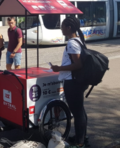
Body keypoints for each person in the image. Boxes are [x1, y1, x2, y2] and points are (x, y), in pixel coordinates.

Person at [51, 16, 89, 148]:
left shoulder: (72, 43)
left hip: (72, 82)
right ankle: (82, 137)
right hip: (77, 81)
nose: (61, 28)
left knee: (78, 113)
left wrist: (58, 68)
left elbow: (77, 64)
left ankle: (80, 143)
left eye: (62, 26)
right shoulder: (79, 41)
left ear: (69, 28)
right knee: (80, 111)